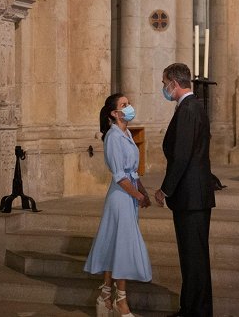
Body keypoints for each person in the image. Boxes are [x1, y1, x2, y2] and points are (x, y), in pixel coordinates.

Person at [154, 63, 215, 317]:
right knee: (192, 259)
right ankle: (190, 308)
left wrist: (165, 190)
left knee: (194, 259)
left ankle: (196, 311)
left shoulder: (189, 108)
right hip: (192, 194)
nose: (163, 88)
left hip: (190, 195)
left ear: (174, 84)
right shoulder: (192, 107)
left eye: (164, 83)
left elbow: (182, 155)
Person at [84, 93, 152, 317]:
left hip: (129, 194)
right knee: (121, 247)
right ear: (114, 113)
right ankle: (121, 302)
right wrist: (138, 195)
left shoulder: (127, 134)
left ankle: (105, 294)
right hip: (120, 196)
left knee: (115, 244)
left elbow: (133, 171)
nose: (129, 107)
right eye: (124, 105)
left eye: (129, 103)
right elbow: (120, 176)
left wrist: (142, 191)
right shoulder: (113, 136)